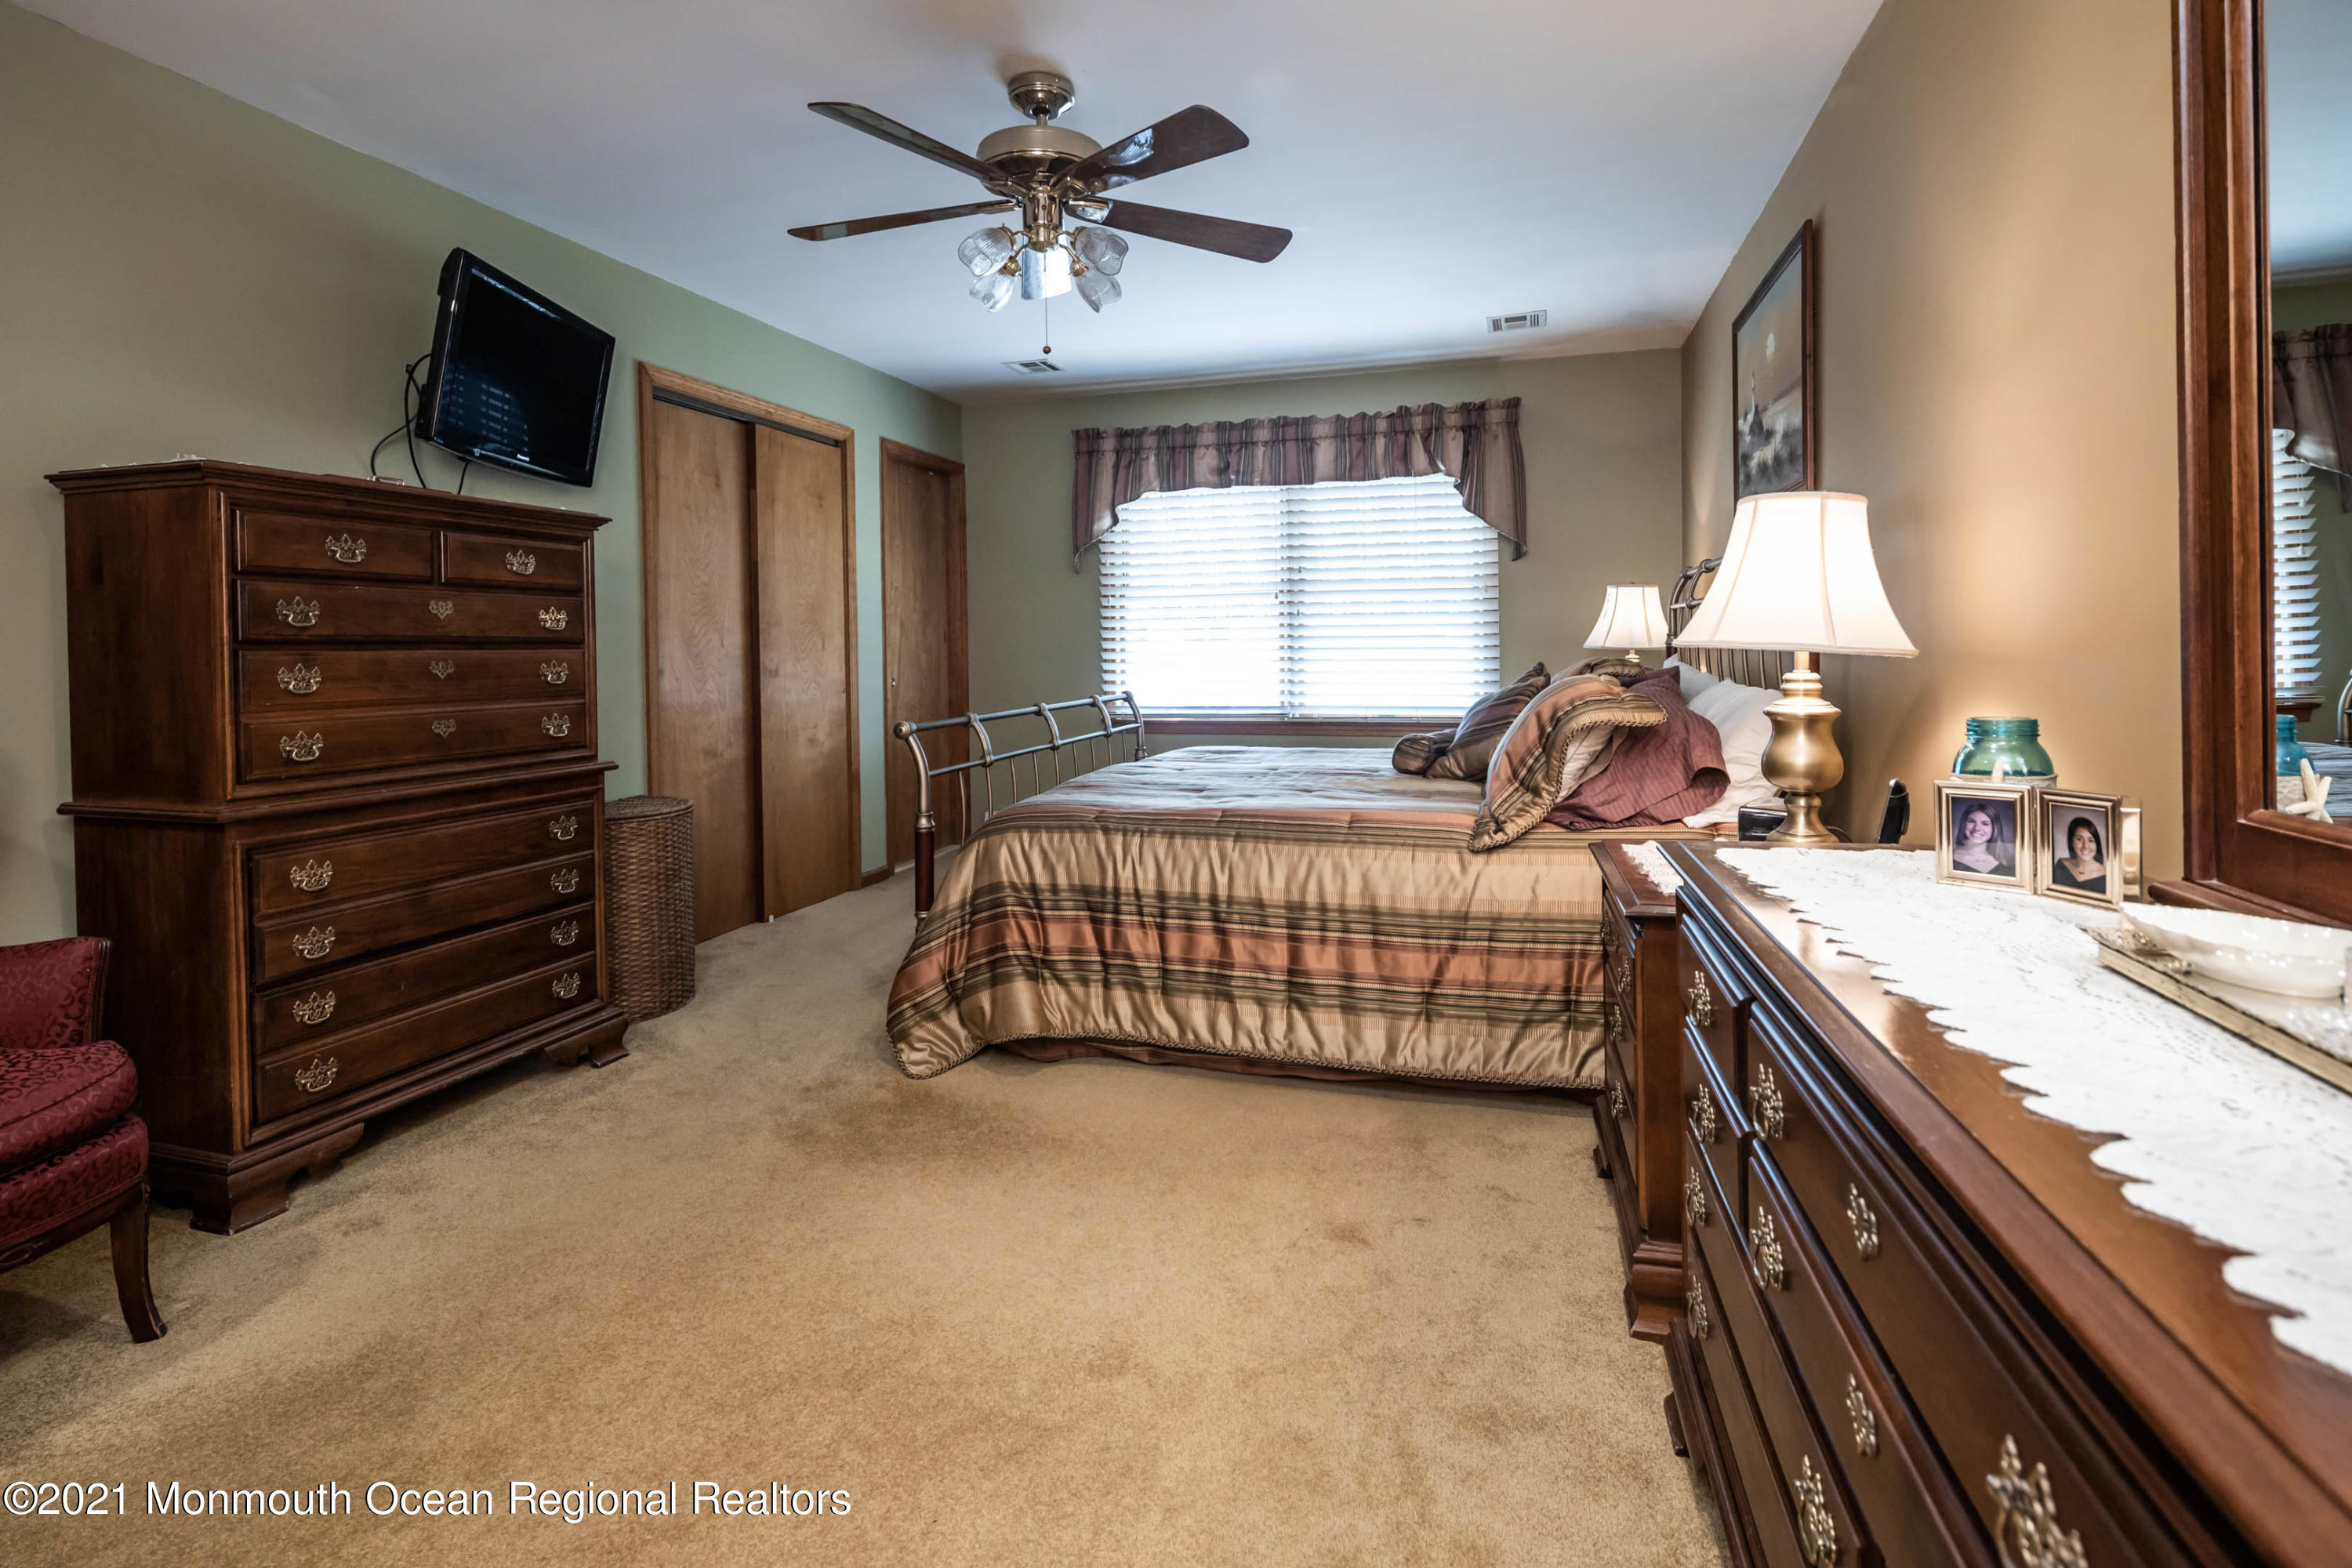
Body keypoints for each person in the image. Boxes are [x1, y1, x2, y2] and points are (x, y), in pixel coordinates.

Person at [1951, 802, 2014, 877]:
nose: (1977, 828)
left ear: (1995, 828)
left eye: (1985, 824)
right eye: (1971, 821)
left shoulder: (2007, 864)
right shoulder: (1948, 857)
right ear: (1963, 824)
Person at [2050, 815, 2107, 892]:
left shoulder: (2107, 875)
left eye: (2091, 840)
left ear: (2097, 844)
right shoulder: (2061, 865)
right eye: (2079, 839)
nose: (2085, 846)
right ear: (2072, 842)